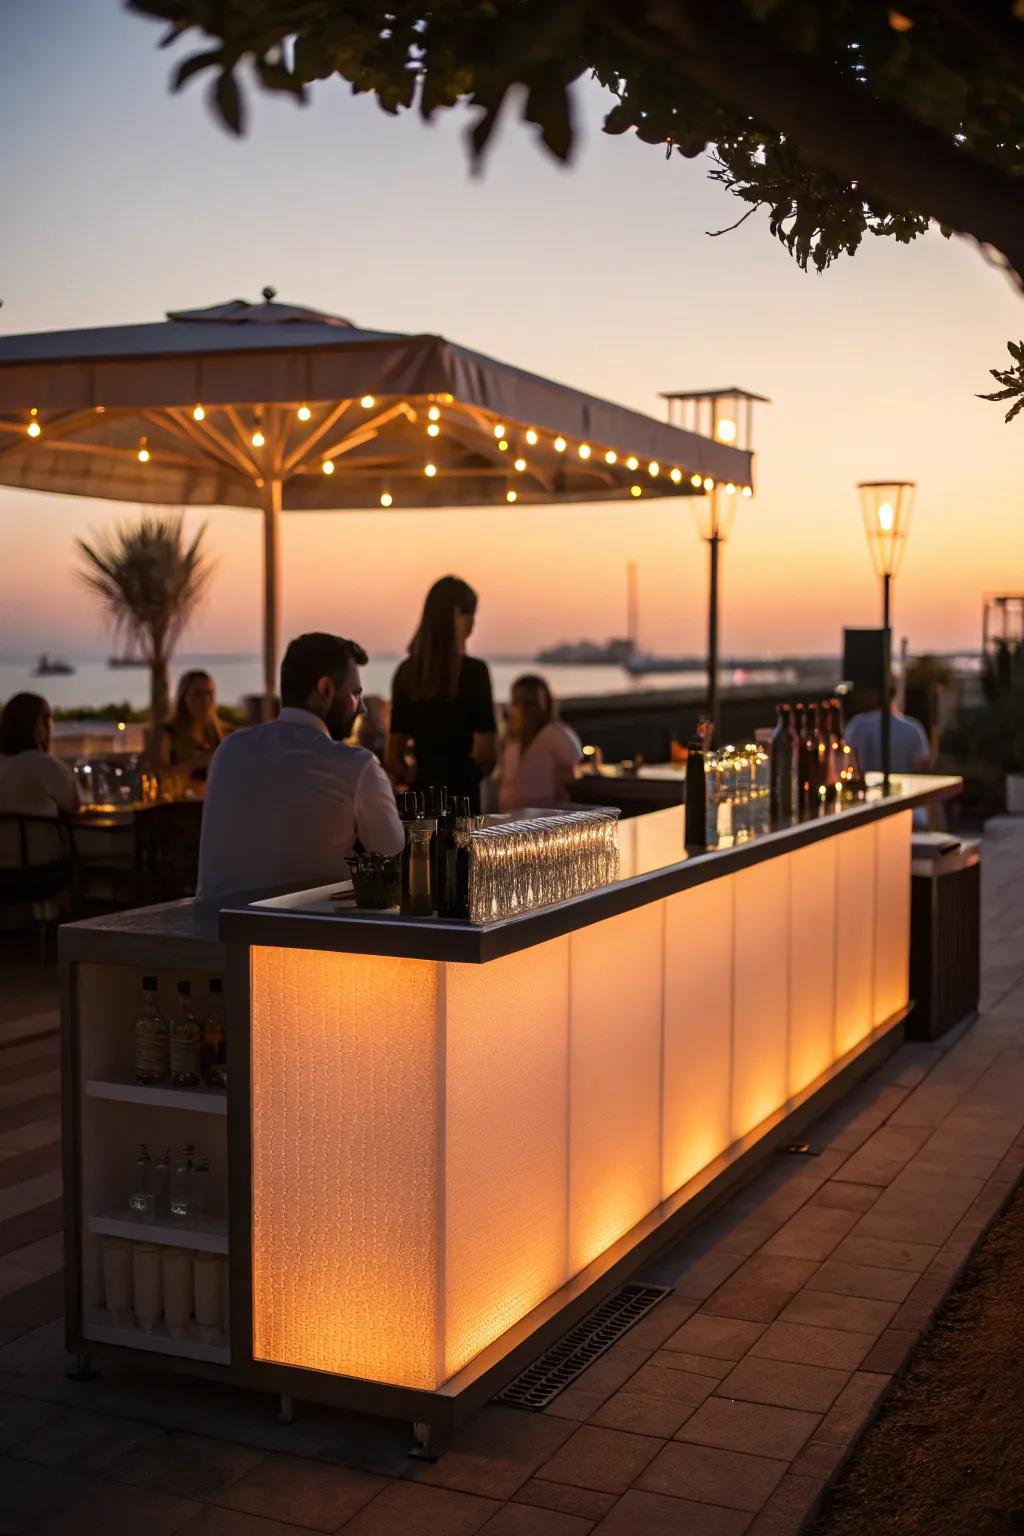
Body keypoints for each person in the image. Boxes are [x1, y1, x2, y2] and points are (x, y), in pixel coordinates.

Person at [197, 633, 404, 901]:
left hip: (215, 931)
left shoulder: (229, 750)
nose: (361, 708)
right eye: (355, 694)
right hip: (298, 935)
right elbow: (398, 866)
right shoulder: (355, 766)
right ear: (326, 689)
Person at [386, 576, 497, 811]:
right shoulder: (474, 673)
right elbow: (488, 755)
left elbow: (393, 757)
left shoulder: (406, 673)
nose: (474, 625)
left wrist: (416, 777)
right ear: (458, 614)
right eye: (471, 615)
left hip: (422, 799)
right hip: (463, 799)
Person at [497, 674, 583, 813]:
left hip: (544, 821)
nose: (524, 709)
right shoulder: (511, 740)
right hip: (509, 823)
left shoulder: (555, 734)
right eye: (518, 702)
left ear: (546, 705)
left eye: (531, 703)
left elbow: (570, 783)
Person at [0, 692, 79, 818]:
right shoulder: (46, 765)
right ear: (37, 726)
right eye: (47, 719)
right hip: (44, 838)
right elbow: (74, 806)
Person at [153, 670, 228, 795]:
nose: (205, 700)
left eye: (209, 694)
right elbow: (157, 776)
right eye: (198, 694)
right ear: (184, 698)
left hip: (214, 802)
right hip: (179, 805)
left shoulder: (220, 733)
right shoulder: (167, 733)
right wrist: (193, 764)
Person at [845, 686, 932, 775]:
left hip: (866, 784)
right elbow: (923, 764)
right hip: (902, 784)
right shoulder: (913, 727)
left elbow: (848, 758)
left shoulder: (858, 724)